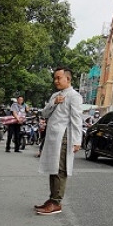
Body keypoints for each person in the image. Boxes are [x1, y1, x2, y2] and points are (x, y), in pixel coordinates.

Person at [35, 67, 84, 215]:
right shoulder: (55, 95)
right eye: (54, 78)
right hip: (52, 137)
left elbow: (76, 119)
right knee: (52, 169)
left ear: (67, 79)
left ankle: (56, 203)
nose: (55, 81)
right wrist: (54, 102)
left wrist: (76, 141)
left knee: (60, 170)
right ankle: (52, 199)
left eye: (58, 78)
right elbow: (44, 113)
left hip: (64, 137)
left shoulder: (74, 96)